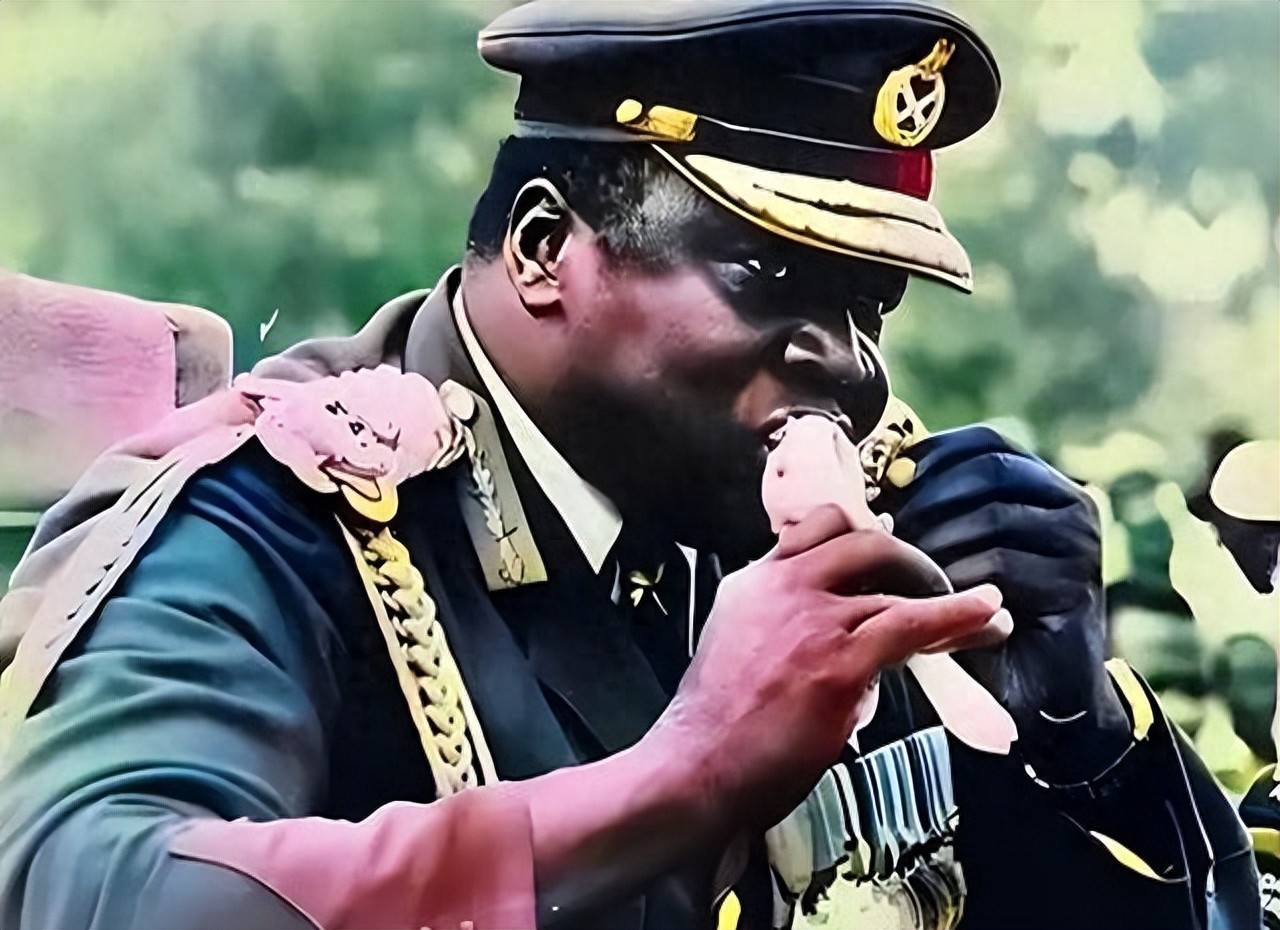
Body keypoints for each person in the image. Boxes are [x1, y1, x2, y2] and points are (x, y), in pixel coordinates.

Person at [0, 2, 1259, 928]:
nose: (845, 363)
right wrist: (686, 772)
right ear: (544, 247)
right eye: (768, 273)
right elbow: (92, 893)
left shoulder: (829, 532)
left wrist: (1071, 731)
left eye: (868, 308)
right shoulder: (274, 517)